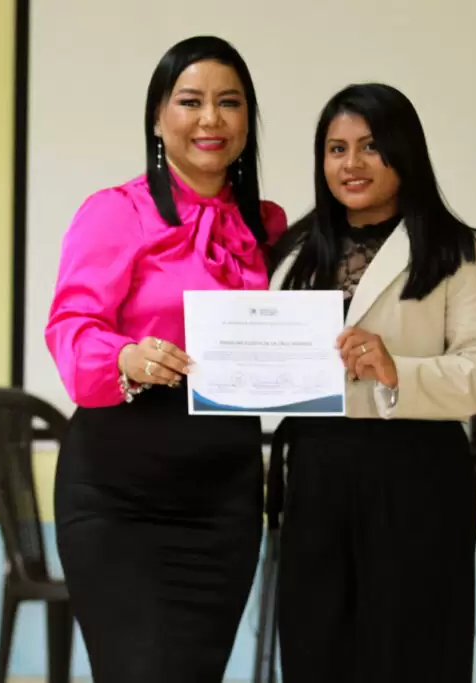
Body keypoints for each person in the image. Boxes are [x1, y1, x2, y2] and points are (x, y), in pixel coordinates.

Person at [46, 36, 287, 683]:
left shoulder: (269, 229)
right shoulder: (115, 213)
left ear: (247, 121)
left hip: (224, 495)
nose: (211, 119)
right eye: (191, 101)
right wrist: (127, 356)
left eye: (229, 103)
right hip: (120, 490)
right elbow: (70, 330)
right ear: (158, 116)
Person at [268, 83, 476, 682]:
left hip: (416, 471)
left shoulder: (461, 248)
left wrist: (397, 367)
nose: (351, 164)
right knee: (315, 645)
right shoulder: (293, 249)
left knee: (412, 649)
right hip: (316, 469)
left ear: (404, 151)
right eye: (335, 148)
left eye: (370, 146)